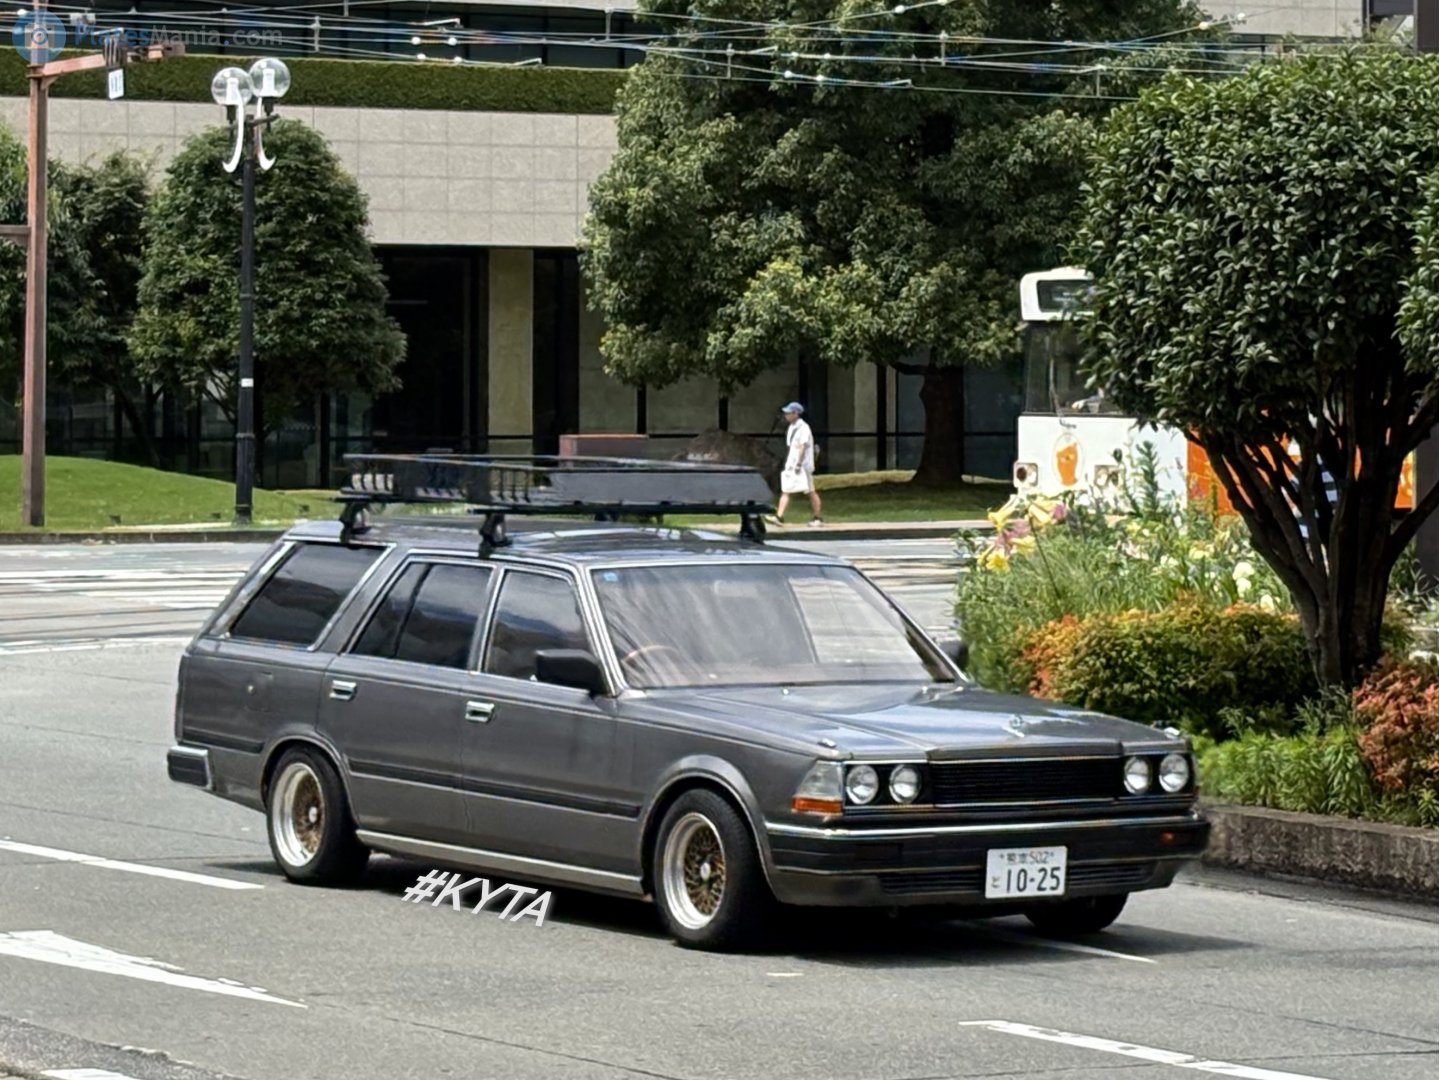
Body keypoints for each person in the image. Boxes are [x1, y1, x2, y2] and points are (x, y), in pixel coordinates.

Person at [769, 402, 823, 527]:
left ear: (796, 413)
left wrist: (798, 464)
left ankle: (817, 517)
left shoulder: (803, 428)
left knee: (809, 491)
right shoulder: (793, 427)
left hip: (801, 466)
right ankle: (779, 516)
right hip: (793, 464)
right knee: (788, 490)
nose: (786, 415)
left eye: (789, 413)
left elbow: (802, 447)